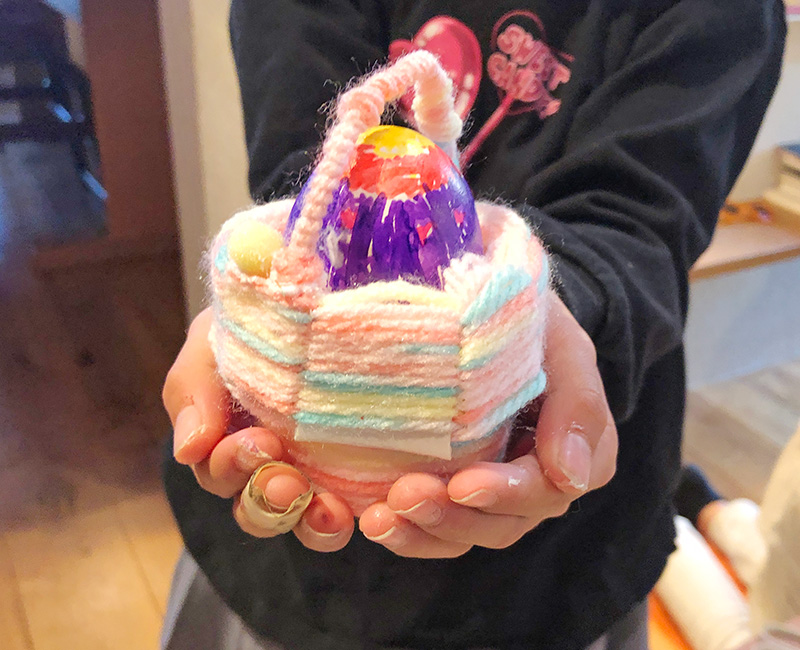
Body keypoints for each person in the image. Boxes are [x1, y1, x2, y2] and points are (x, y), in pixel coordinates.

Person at [160, 1, 786, 649]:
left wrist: (532, 326)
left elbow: (636, 223)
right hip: (288, 557)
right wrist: (264, 323)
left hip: (558, 563)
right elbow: (307, 171)